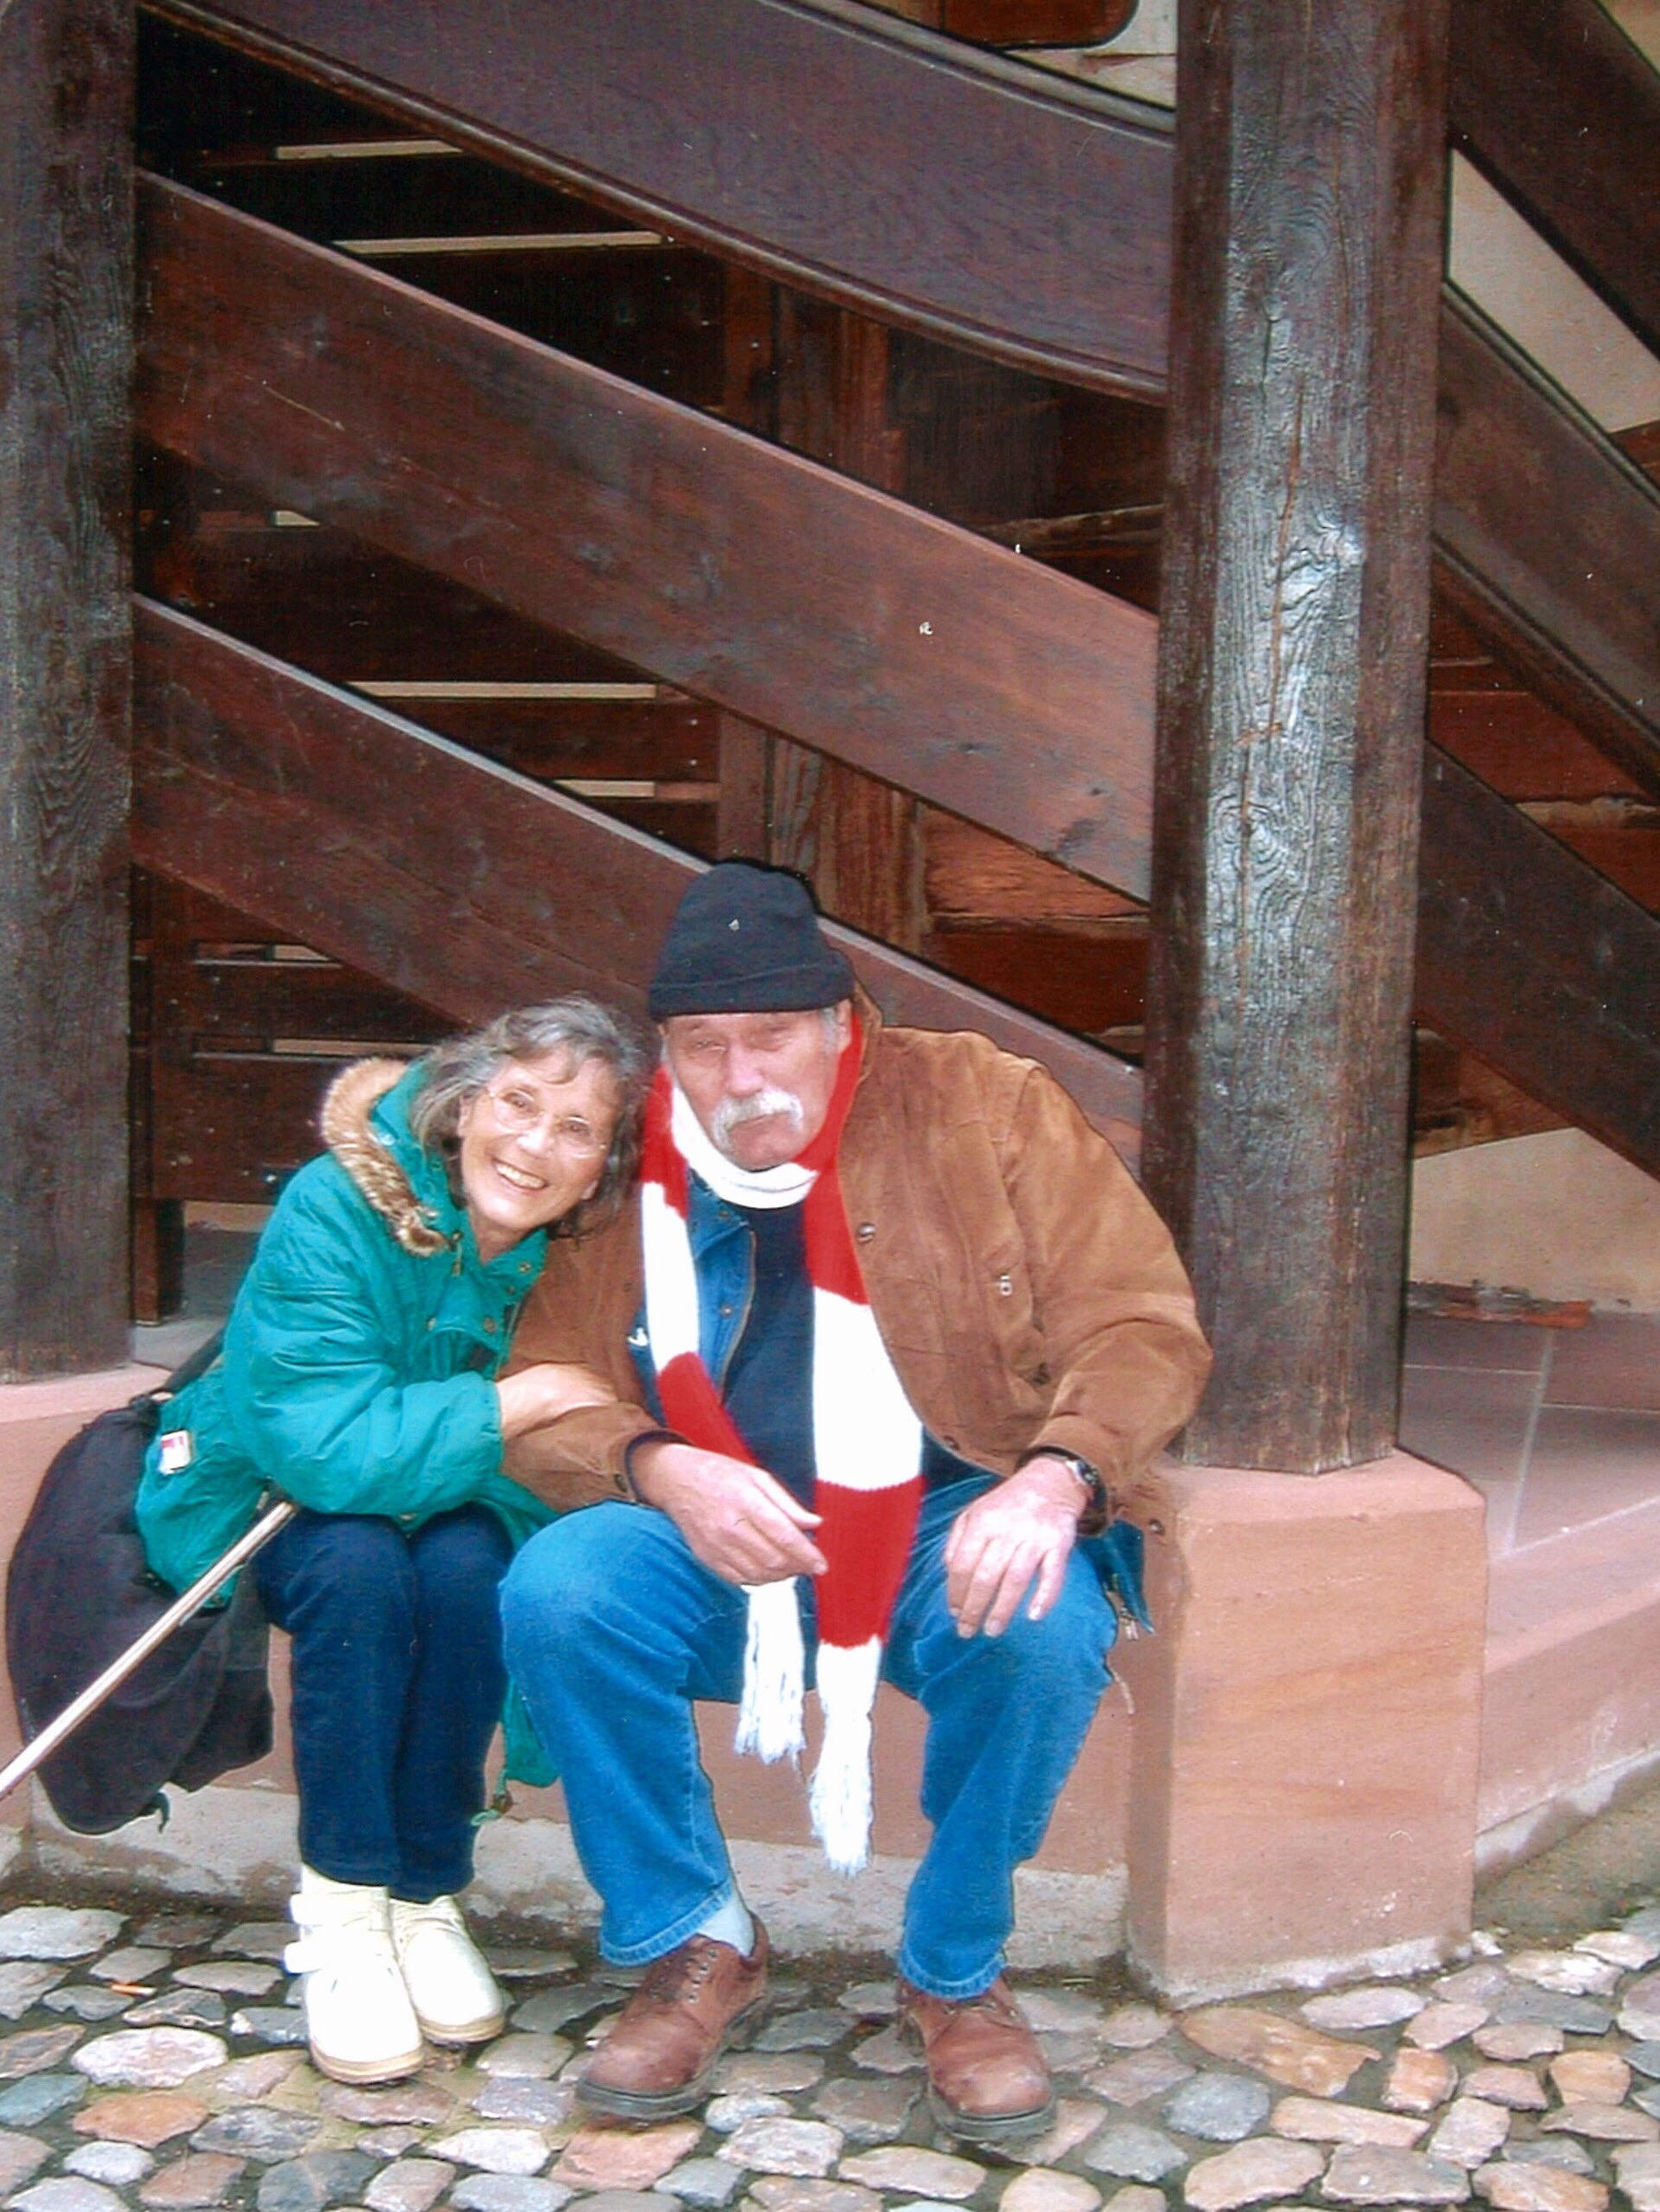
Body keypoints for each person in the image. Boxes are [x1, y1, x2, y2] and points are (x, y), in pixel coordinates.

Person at [498, 865, 1210, 2143]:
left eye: (769, 1036)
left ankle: (952, 1971)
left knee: (1044, 1624)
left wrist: (1054, 1478)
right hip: (720, 1537)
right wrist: (657, 1464)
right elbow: (539, 1386)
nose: (738, 1075)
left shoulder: (982, 1104)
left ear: (837, 1023)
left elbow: (1138, 1323)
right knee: (563, 1586)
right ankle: (694, 1939)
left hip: (946, 1513)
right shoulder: (627, 1150)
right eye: (703, 1047)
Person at [135, 996, 651, 2085]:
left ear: (603, 1163)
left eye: (576, 1128)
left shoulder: (579, 1254)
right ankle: (343, 1907)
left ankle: (424, 1891)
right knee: (360, 1570)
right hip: (268, 1491)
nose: (534, 1144)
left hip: (455, 1497)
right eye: (519, 1102)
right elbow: (321, 1445)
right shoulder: (338, 1203)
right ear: (463, 1103)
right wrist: (514, 1405)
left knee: (471, 1570)